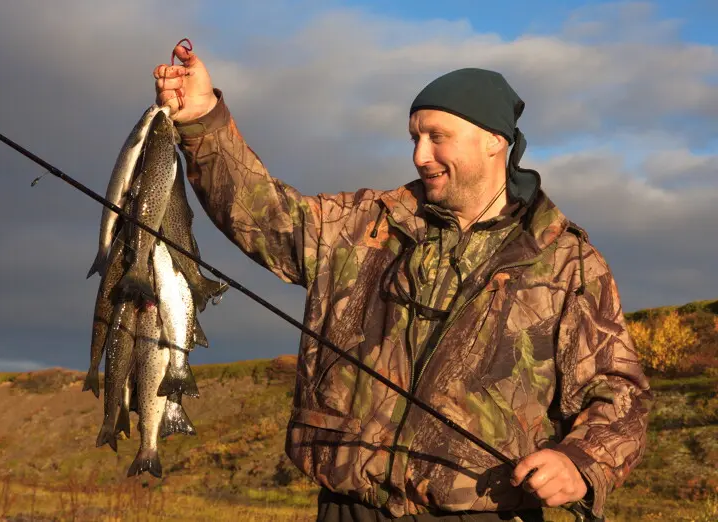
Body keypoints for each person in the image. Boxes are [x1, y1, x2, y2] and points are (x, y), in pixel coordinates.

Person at [153, 44, 652, 522]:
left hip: (486, 512)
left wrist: (581, 461)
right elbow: (260, 213)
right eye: (414, 137)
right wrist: (201, 119)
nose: (419, 155)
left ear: (495, 140)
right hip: (348, 507)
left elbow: (618, 394)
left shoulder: (568, 263)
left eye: (437, 136)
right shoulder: (362, 225)